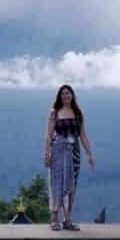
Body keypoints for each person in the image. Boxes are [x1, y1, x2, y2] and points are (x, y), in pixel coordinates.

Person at [43, 84, 94, 231]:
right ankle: (54, 217)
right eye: (63, 94)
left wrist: (90, 154)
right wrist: (46, 154)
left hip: (74, 153)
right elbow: (48, 135)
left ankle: (67, 219)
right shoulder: (55, 112)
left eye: (68, 93)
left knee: (71, 186)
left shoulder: (77, 112)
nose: (66, 96)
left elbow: (83, 135)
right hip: (58, 151)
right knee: (57, 183)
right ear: (59, 96)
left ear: (72, 95)